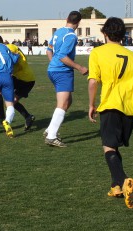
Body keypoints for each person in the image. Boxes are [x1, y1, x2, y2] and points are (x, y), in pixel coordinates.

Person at [88, 17, 133, 209]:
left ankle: (124, 181)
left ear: (105, 33)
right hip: (129, 109)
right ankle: (115, 186)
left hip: (110, 106)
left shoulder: (98, 52)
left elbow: (93, 81)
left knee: (108, 148)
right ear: (123, 34)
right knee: (114, 147)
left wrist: (91, 105)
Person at [44, 10, 88, 147]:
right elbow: (63, 56)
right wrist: (80, 67)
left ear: (67, 19)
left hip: (53, 70)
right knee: (63, 104)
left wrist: (52, 63)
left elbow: (49, 50)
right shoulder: (71, 36)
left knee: (68, 101)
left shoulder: (58, 32)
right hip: (62, 72)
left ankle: (50, 129)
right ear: (79, 22)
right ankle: (51, 136)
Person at [0, 34, 36, 131]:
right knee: (0, 92)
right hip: (18, 77)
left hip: (26, 80)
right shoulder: (8, 48)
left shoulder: (9, 48)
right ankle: (25, 117)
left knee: (11, 101)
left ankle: (5, 118)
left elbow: (11, 62)